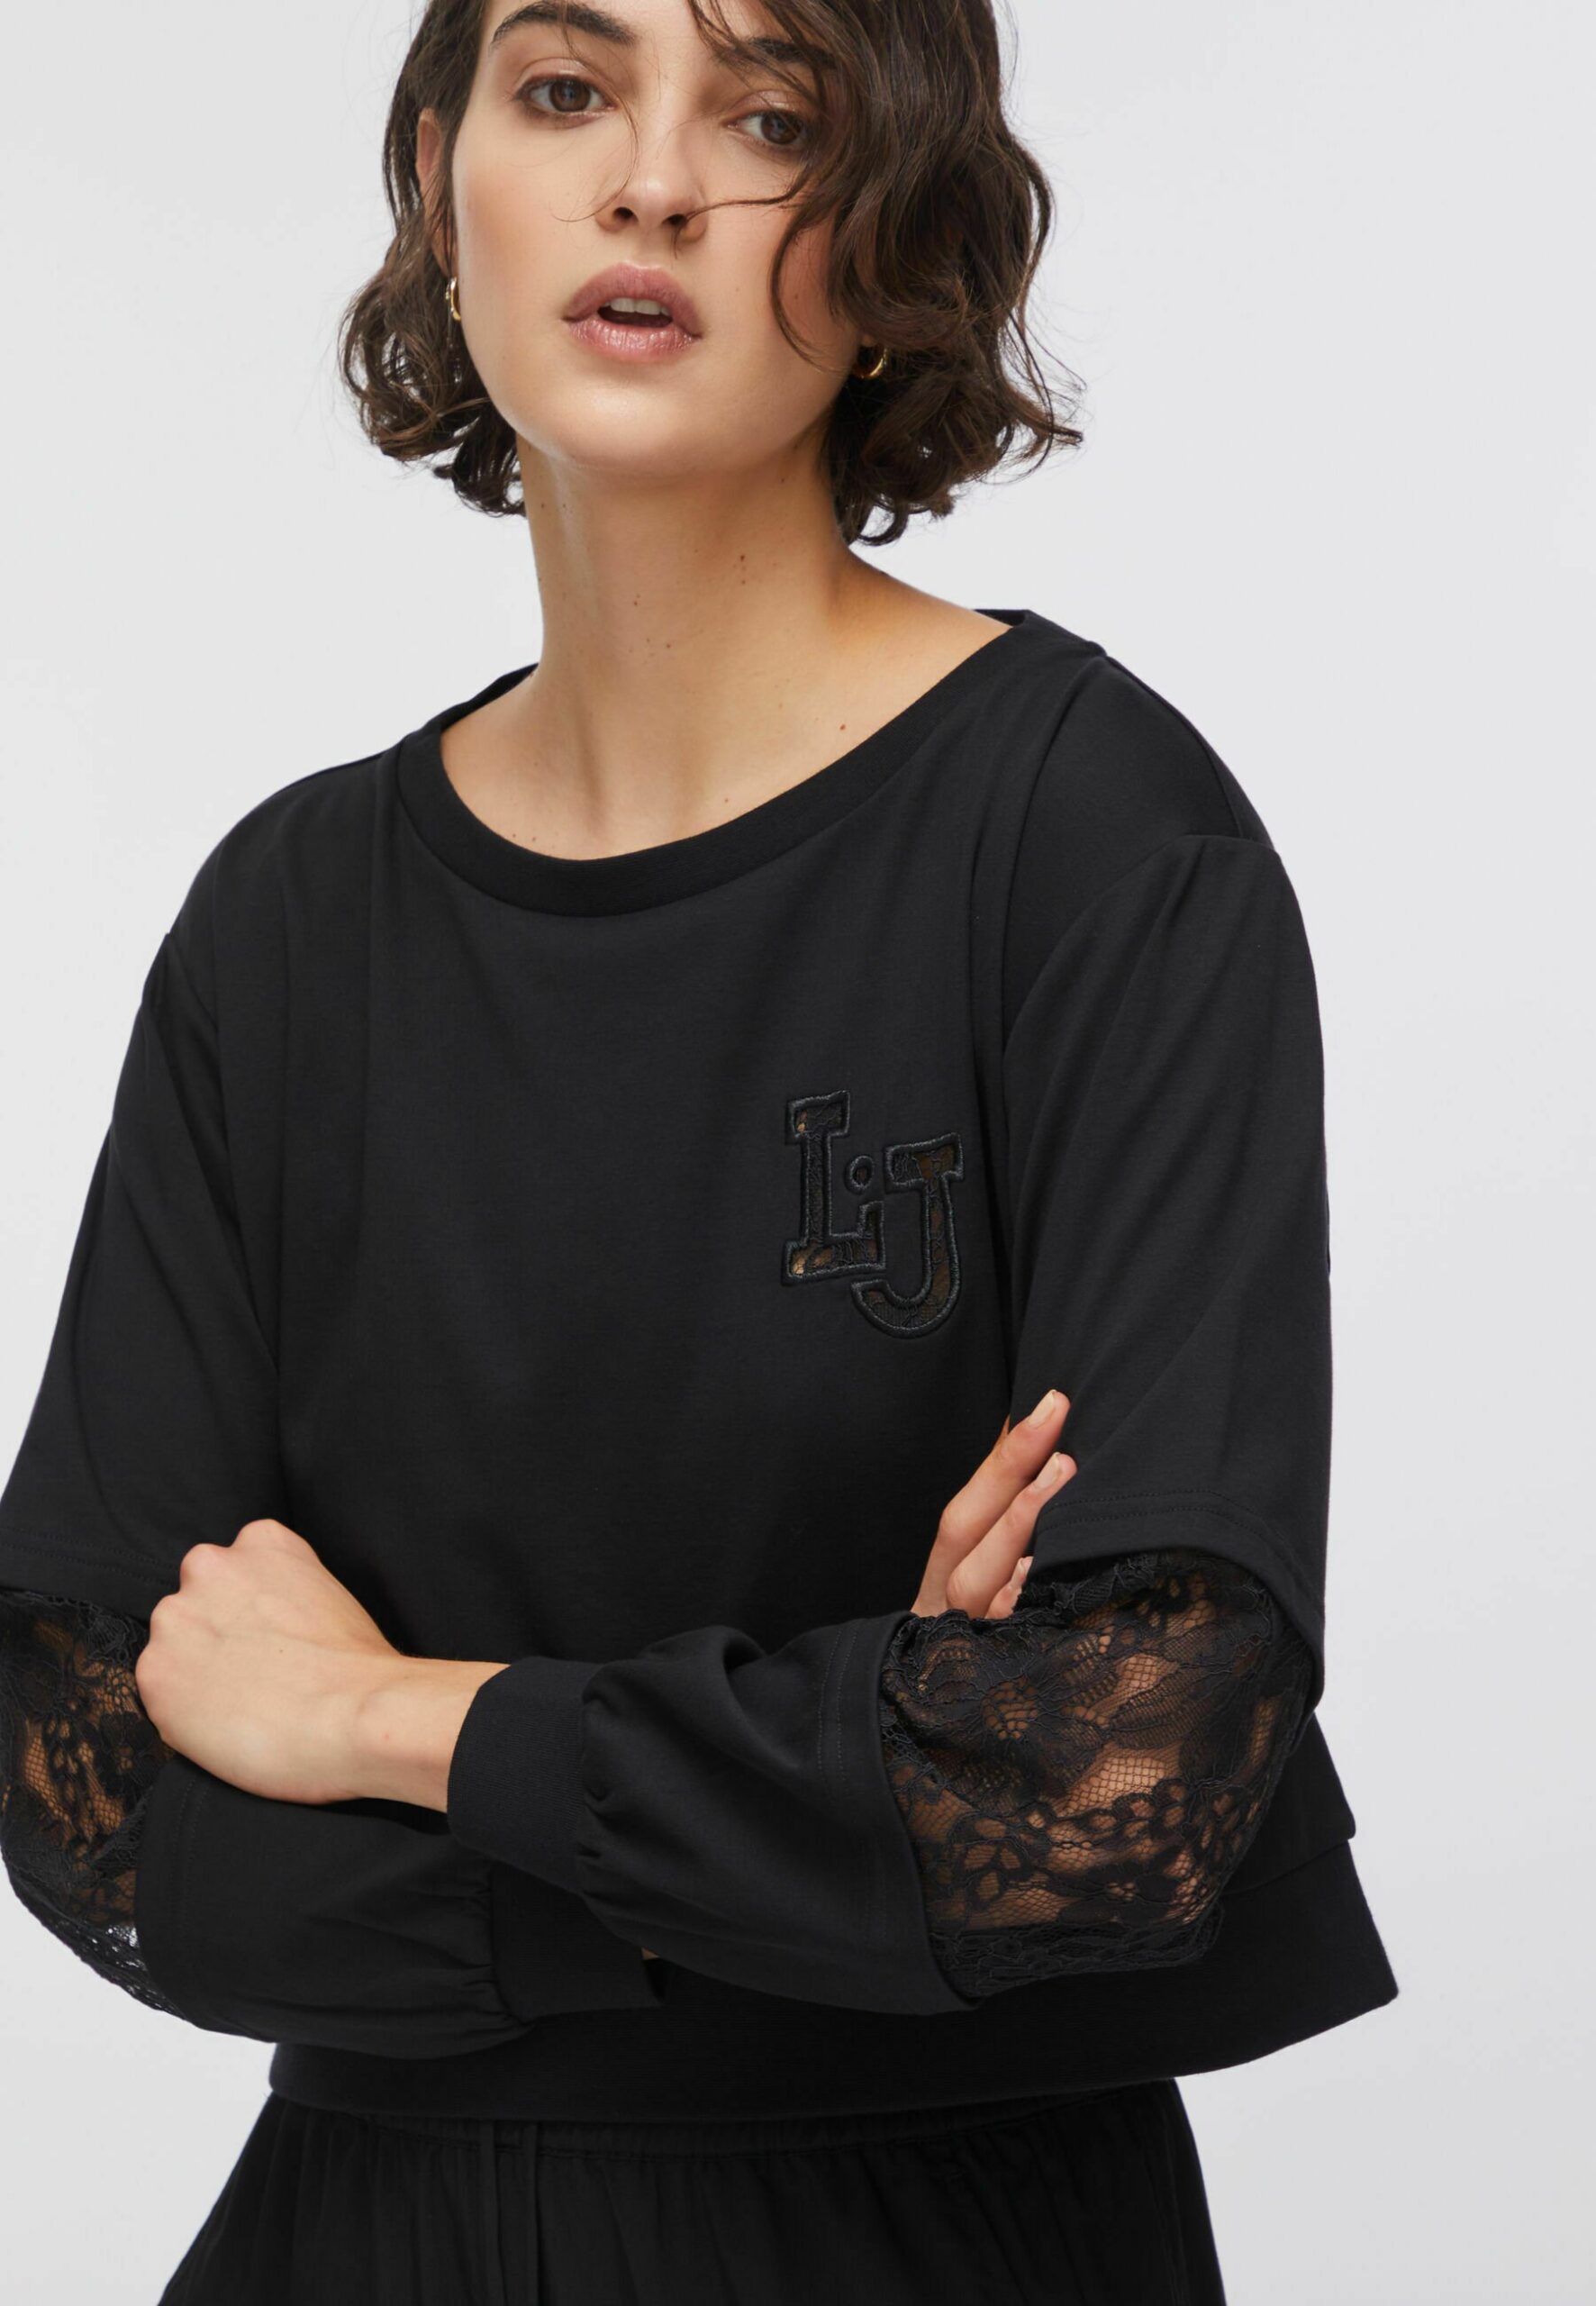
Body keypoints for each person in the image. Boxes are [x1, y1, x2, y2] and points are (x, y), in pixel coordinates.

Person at [0, 1, 1399, 2299]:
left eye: (769, 117)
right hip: (366, 2240)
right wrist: (843, 1796)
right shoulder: (287, 921)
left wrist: (379, 1716)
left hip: (937, 2244)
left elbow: (1121, 1773)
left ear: (895, 226)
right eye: (566, 91)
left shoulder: (1089, 838)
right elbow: (85, 1771)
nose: (651, 181)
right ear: (438, 176)